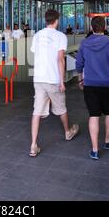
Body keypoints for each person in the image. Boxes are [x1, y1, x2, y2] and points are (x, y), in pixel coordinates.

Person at [76, 16, 109, 160]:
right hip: (108, 85)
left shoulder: (84, 44)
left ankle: (94, 150)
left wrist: (80, 79)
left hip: (90, 85)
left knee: (93, 116)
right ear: (104, 27)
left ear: (91, 27)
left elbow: (79, 65)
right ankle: (107, 141)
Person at [29, 9, 79, 157]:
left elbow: (36, 53)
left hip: (38, 79)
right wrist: (61, 81)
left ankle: (33, 145)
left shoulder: (37, 35)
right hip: (52, 79)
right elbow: (60, 59)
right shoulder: (60, 36)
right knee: (61, 108)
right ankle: (68, 132)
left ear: (46, 20)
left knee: (36, 111)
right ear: (57, 20)